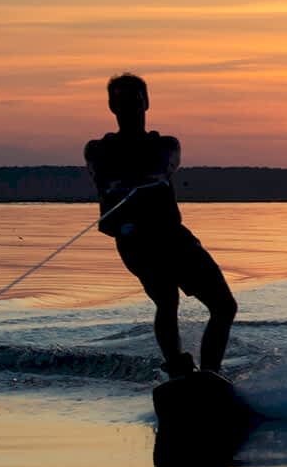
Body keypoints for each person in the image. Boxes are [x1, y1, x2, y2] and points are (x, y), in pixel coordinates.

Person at [85, 73, 237, 378]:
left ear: (146, 102)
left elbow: (163, 165)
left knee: (224, 306)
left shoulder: (165, 145)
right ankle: (178, 369)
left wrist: (140, 175)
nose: (128, 105)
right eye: (120, 100)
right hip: (134, 239)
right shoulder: (98, 149)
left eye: (134, 98)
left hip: (172, 236)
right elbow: (103, 172)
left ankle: (211, 375)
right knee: (167, 298)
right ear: (111, 107)